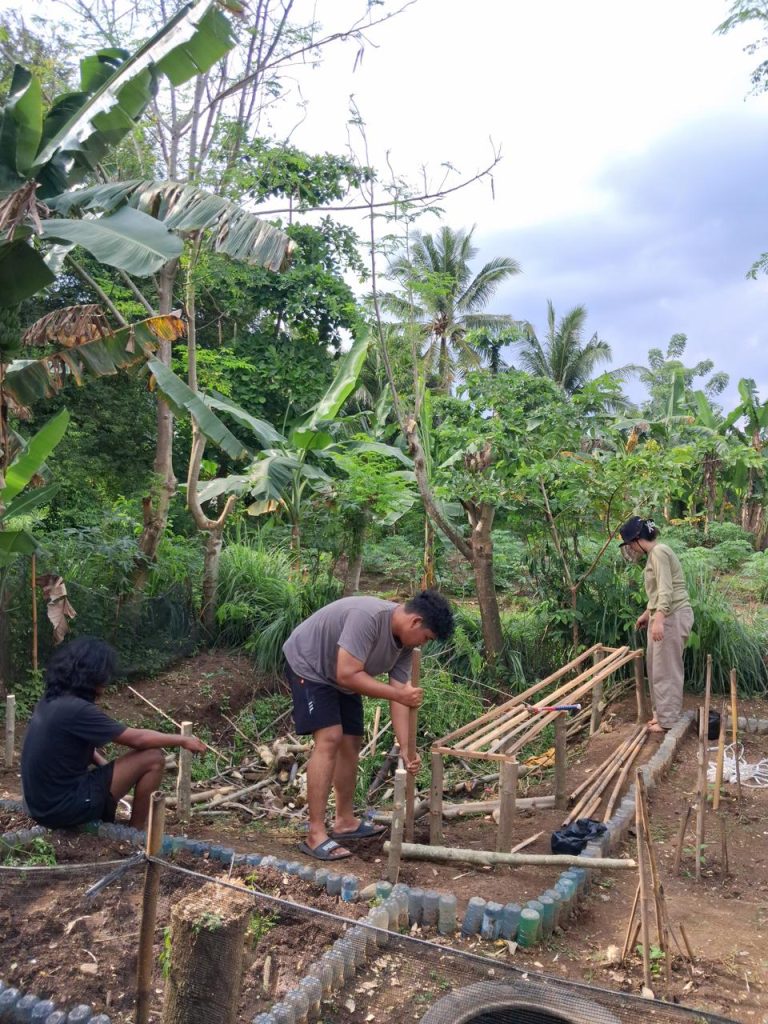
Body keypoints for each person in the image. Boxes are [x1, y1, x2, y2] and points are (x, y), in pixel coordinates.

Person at [283, 589, 454, 861]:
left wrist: (406, 747)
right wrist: (398, 694)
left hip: (344, 675)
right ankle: (315, 834)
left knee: (351, 740)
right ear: (415, 622)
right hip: (311, 664)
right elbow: (347, 674)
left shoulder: (404, 646)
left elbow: (399, 696)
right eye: (427, 638)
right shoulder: (368, 618)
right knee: (330, 737)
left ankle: (345, 821)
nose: (424, 644)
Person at [21, 636, 207, 830]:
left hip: (40, 806)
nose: (107, 681)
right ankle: (135, 832)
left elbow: (75, 748)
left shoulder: (51, 701)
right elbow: (138, 739)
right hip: (60, 810)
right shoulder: (77, 710)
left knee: (135, 762)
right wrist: (183, 740)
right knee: (153, 758)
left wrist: (109, 772)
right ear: (92, 676)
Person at [619, 516, 694, 733]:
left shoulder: (659, 552)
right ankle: (661, 715)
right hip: (665, 614)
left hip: (672, 616)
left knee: (666, 669)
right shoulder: (655, 554)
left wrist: (659, 619)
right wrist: (648, 614)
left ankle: (667, 720)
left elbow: (666, 590)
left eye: (630, 544)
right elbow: (658, 593)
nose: (631, 549)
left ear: (637, 540)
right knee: (656, 667)